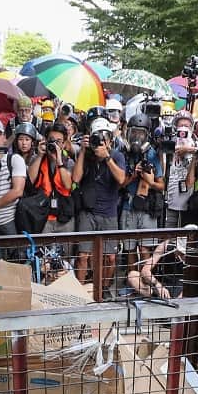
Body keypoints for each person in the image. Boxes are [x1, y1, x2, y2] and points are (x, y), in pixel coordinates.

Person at [72, 117, 127, 289]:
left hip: (108, 212)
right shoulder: (87, 156)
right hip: (87, 212)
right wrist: (82, 150)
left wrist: (106, 157)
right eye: (97, 138)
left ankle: (103, 291)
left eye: (105, 138)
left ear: (110, 139)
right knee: (83, 255)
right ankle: (80, 294)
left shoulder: (117, 156)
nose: (101, 142)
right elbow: (75, 179)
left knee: (110, 257)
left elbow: (121, 178)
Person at [120, 113, 164, 263]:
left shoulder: (152, 155)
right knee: (129, 248)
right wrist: (133, 175)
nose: (137, 137)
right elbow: (120, 184)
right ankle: (132, 278)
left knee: (145, 248)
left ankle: (145, 280)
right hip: (128, 206)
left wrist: (150, 182)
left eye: (141, 133)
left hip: (146, 206)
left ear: (147, 135)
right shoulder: (123, 153)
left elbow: (161, 185)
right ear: (128, 132)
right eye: (134, 132)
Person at [28, 122, 75, 235]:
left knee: (67, 251)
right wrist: (40, 155)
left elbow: (68, 185)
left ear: (63, 144)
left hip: (64, 216)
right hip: (43, 216)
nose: (54, 144)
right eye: (51, 140)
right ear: (45, 140)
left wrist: (59, 161)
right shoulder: (37, 158)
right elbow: (30, 180)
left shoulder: (68, 162)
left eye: (58, 142)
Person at [163, 112, 198, 227]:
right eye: (181, 125)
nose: (183, 128)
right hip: (170, 199)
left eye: (187, 126)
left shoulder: (195, 144)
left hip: (188, 201)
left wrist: (189, 149)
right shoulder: (170, 143)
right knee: (168, 235)